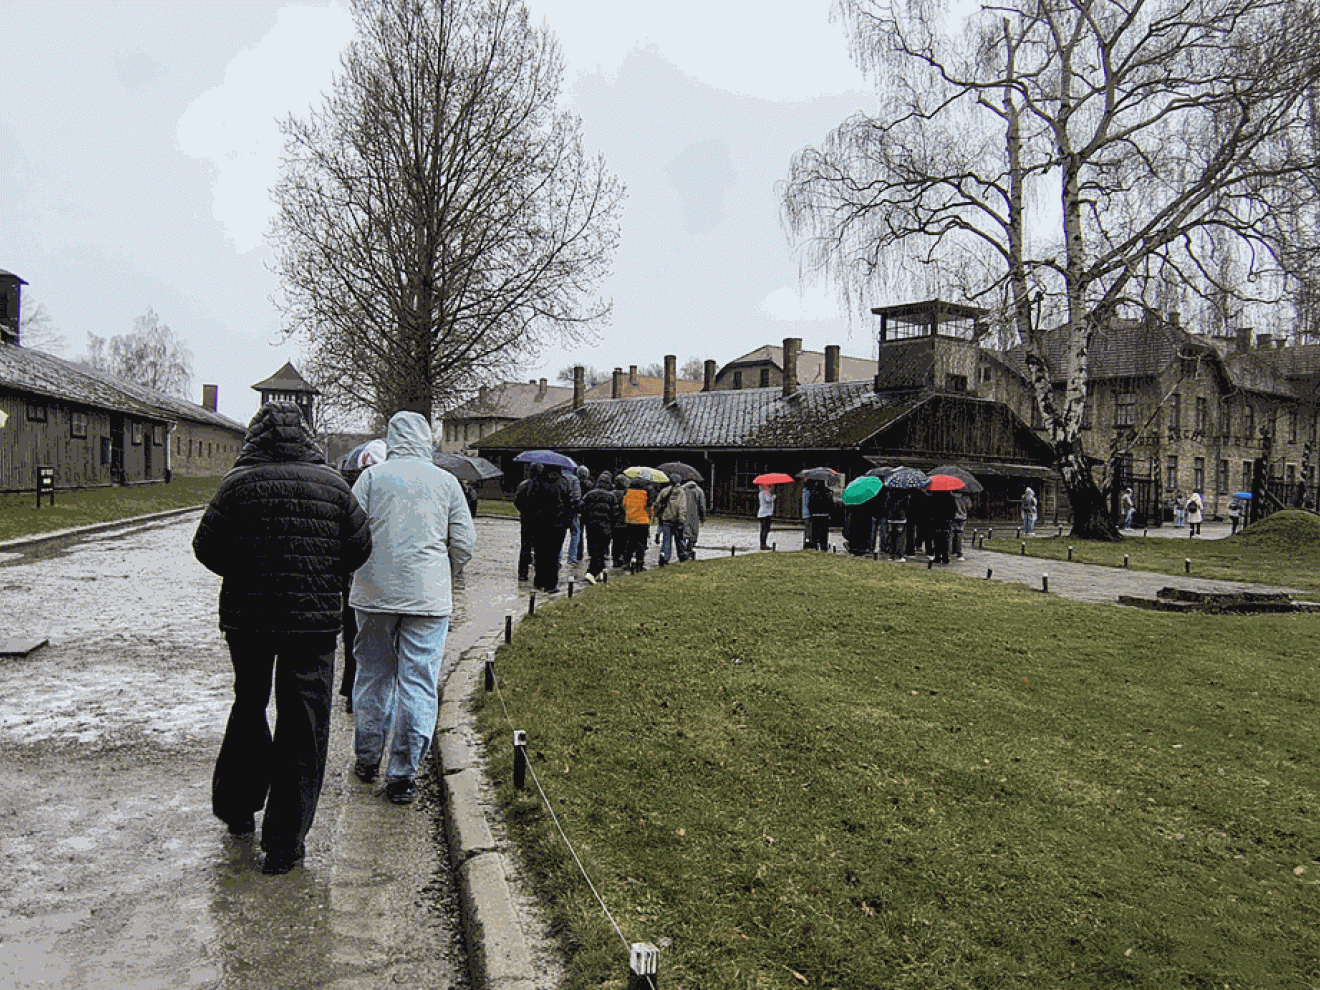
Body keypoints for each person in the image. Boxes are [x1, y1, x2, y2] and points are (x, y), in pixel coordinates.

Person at [193, 401, 373, 875]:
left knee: (249, 702)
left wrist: (245, 571)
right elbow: (359, 547)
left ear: (255, 436)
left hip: (247, 619)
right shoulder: (334, 486)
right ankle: (284, 840)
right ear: (307, 435)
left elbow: (206, 548)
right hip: (311, 622)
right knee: (304, 719)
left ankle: (238, 806)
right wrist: (321, 573)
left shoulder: (236, 485)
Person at [349, 411, 476, 808]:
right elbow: (464, 543)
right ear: (427, 439)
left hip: (374, 593)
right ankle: (403, 773)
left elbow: (351, 532)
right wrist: (444, 571)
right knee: (419, 681)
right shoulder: (447, 483)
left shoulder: (371, 478)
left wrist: (364, 569)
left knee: (373, 674)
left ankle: (368, 757)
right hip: (429, 597)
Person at [336, 438, 388, 715]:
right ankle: (362, 690)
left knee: (354, 635)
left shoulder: (352, 488)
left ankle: (352, 689)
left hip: (356, 574)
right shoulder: (386, 490)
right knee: (366, 636)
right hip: (368, 573)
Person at [523, 463, 576, 592]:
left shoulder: (536, 481)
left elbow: (528, 500)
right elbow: (570, 503)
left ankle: (539, 580)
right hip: (558, 525)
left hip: (539, 523)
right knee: (553, 554)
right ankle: (551, 584)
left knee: (540, 553)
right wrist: (567, 521)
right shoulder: (564, 482)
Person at [581, 471, 621, 584]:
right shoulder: (611, 496)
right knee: (601, 550)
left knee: (594, 549)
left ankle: (599, 573)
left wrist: (587, 520)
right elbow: (615, 513)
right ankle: (591, 572)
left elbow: (582, 508)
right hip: (605, 527)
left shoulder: (589, 494)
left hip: (591, 526)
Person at [621, 474, 653, 571]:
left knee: (630, 543)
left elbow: (624, 504)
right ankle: (639, 563)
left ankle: (627, 562)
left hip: (630, 520)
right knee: (641, 543)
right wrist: (650, 515)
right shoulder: (646, 492)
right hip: (642, 521)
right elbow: (648, 506)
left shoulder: (628, 491)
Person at [513, 466, 539, 582]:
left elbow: (517, 501)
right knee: (539, 547)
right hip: (539, 519)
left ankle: (522, 573)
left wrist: (523, 511)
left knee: (525, 547)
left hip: (526, 519)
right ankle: (538, 572)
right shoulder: (541, 485)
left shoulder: (523, 485)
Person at [654, 476, 688, 565]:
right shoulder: (682, 492)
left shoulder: (664, 491)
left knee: (666, 540)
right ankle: (683, 556)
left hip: (666, 519)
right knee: (680, 539)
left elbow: (657, 503)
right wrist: (681, 519)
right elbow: (682, 507)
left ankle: (665, 557)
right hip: (677, 520)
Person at [564, 464, 588, 566]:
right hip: (573, 511)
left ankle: (558, 558)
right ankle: (572, 558)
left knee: (561, 534)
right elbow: (577, 496)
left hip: (561, 510)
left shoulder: (560, 478)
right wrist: (578, 510)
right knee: (575, 533)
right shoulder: (574, 480)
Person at [680, 479, 707, 561]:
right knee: (693, 535)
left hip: (683, 515)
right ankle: (689, 550)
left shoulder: (682, 490)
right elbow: (702, 506)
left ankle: (682, 551)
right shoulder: (699, 491)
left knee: (683, 534)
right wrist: (703, 518)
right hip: (694, 516)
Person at [805, 480, 833, 550]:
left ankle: (815, 546)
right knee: (824, 533)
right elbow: (831, 504)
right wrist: (830, 513)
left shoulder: (813, 492)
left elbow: (809, 504)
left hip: (815, 515)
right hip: (825, 515)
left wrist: (811, 512)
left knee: (815, 532)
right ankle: (824, 546)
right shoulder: (828, 492)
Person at [611, 473, 631, 569]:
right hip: (625, 520)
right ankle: (623, 558)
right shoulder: (627, 493)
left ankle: (615, 560)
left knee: (615, 542)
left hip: (614, 521)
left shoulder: (612, 493)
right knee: (625, 541)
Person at [951, 490, 971, 561]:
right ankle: (959, 552)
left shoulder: (952, 495)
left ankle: (952, 550)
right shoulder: (965, 497)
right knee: (959, 534)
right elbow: (969, 506)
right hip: (962, 517)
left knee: (952, 533)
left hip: (953, 516)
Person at [757, 483, 776, 550]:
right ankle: (763, 544)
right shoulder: (765, 492)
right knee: (766, 529)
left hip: (762, 513)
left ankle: (762, 543)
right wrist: (773, 497)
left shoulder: (761, 493)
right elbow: (768, 499)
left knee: (763, 529)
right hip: (766, 513)